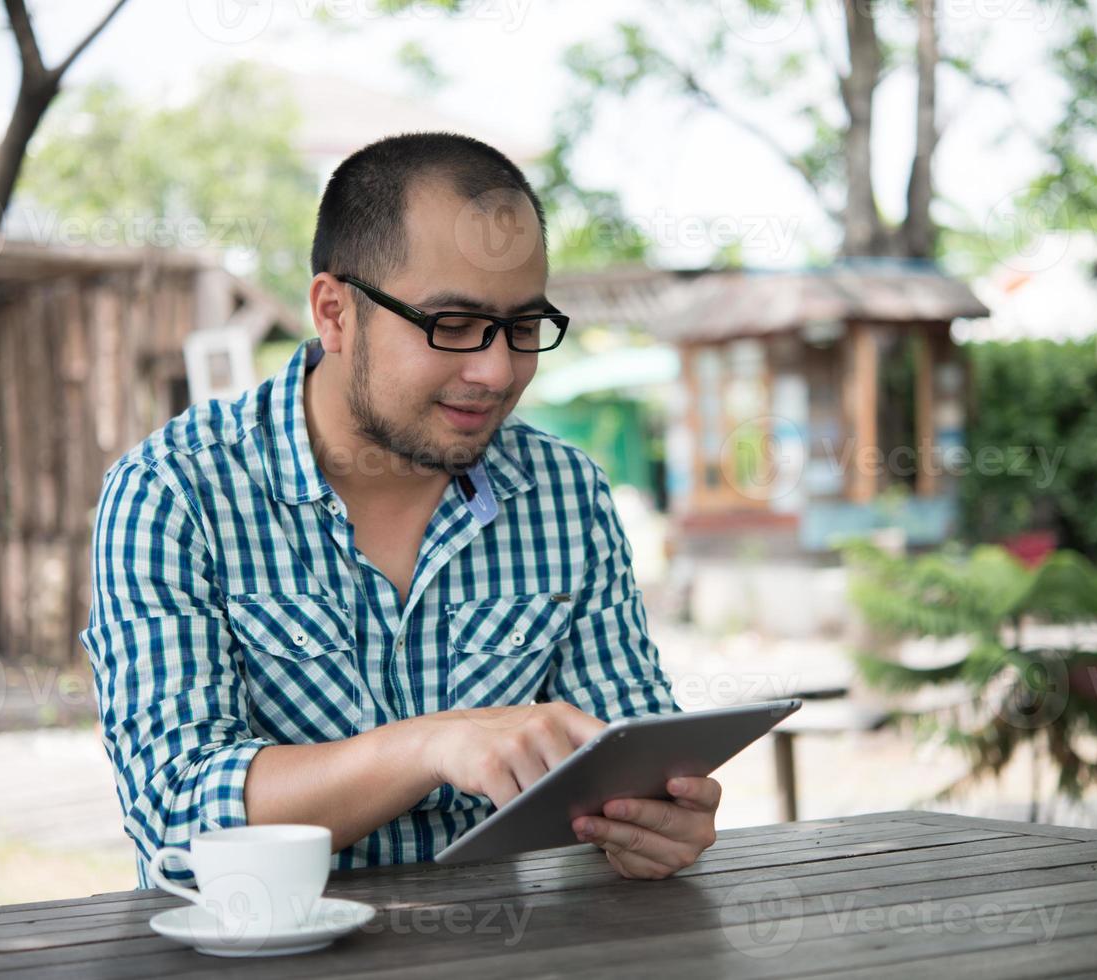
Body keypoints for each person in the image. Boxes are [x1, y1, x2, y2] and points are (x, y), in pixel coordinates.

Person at [81, 132, 719, 885]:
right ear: (334, 313)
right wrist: (430, 745)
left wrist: (658, 819)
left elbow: (628, 752)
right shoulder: (173, 493)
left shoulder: (565, 494)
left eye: (522, 328)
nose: (497, 370)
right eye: (450, 326)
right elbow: (177, 819)